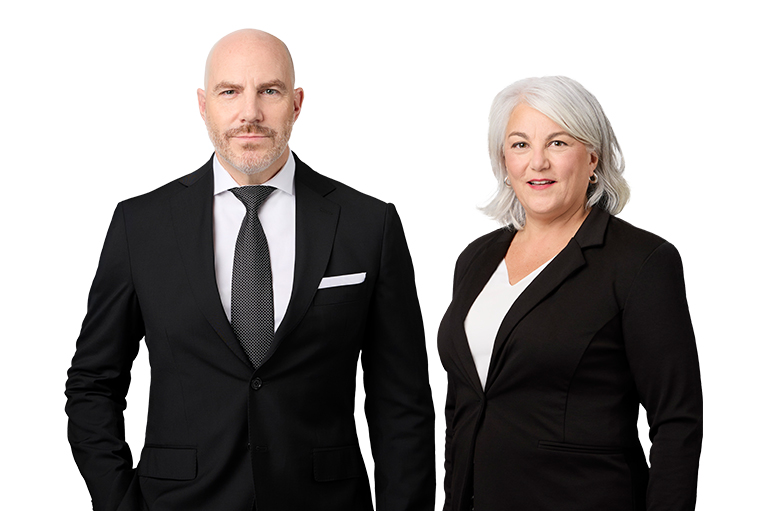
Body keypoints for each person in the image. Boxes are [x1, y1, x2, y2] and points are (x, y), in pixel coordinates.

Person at [65, 29, 435, 511]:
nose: (250, 113)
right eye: (229, 92)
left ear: (297, 103)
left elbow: (401, 403)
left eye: (270, 91)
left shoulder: (368, 224)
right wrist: (119, 502)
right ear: (203, 104)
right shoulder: (142, 225)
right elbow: (94, 383)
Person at [438, 76, 702, 510]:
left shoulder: (640, 261)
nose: (536, 162)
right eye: (520, 145)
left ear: (593, 157)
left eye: (558, 143)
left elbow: (677, 422)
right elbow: (463, 405)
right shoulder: (476, 259)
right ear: (504, 160)